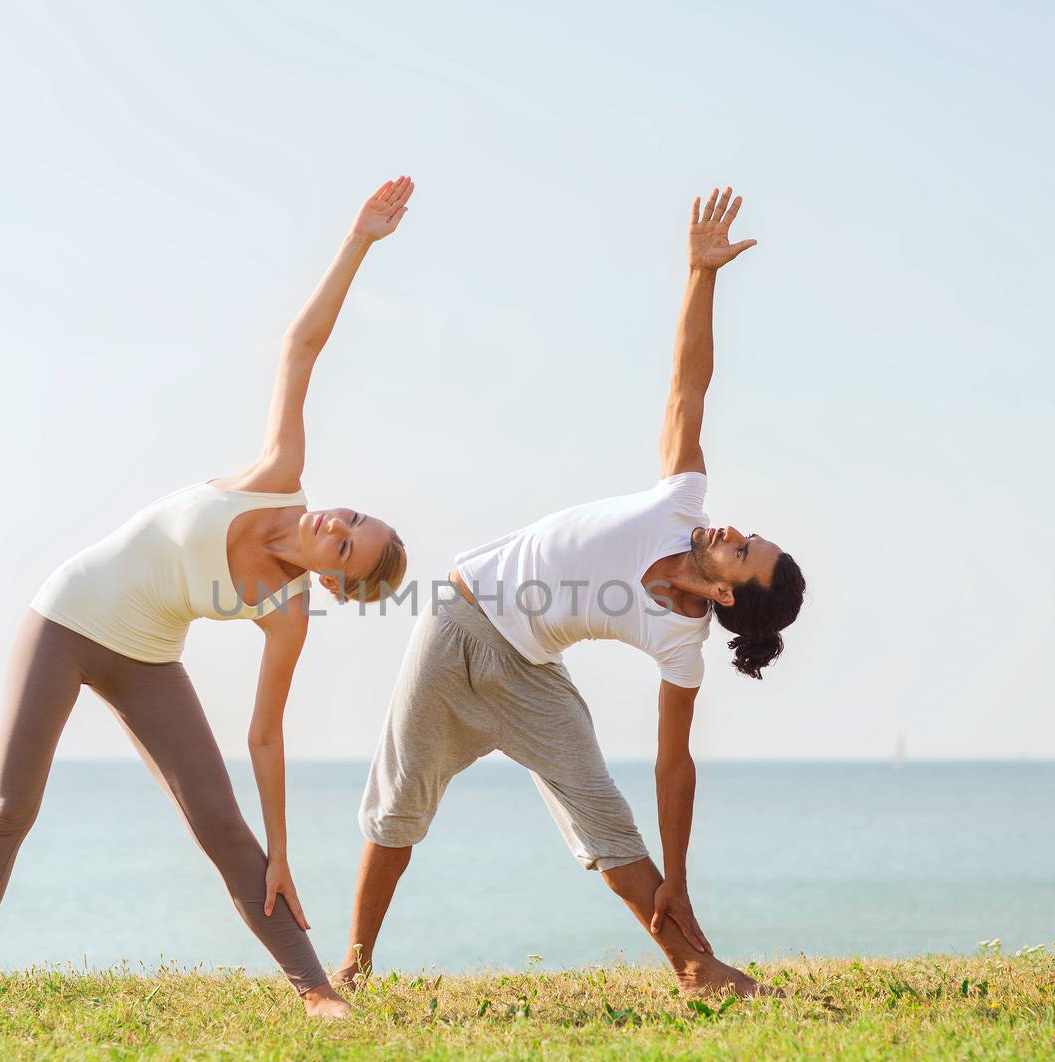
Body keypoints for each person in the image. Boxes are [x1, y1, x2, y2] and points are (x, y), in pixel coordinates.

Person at [0, 177, 416, 1019]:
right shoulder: (278, 478)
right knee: (9, 806)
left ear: (334, 579)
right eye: (354, 518)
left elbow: (265, 735)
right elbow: (302, 346)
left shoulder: (288, 613)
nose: (337, 520)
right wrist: (359, 242)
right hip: (68, 617)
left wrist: (283, 849)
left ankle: (316, 993)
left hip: (148, 656)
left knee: (224, 826)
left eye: (345, 543)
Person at [336, 187, 804, 998]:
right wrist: (701, 273)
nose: (733, 531)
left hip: (531, 676)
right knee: (399, 805)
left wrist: (680, 875)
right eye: (746, 534)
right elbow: (689, 385)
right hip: (457, 623)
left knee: (603, 810)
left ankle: (694, 965)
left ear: (730, 597)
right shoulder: (680, 503)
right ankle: (351, 963)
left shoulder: (681, 642)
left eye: (743, 551)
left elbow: (673, 764)